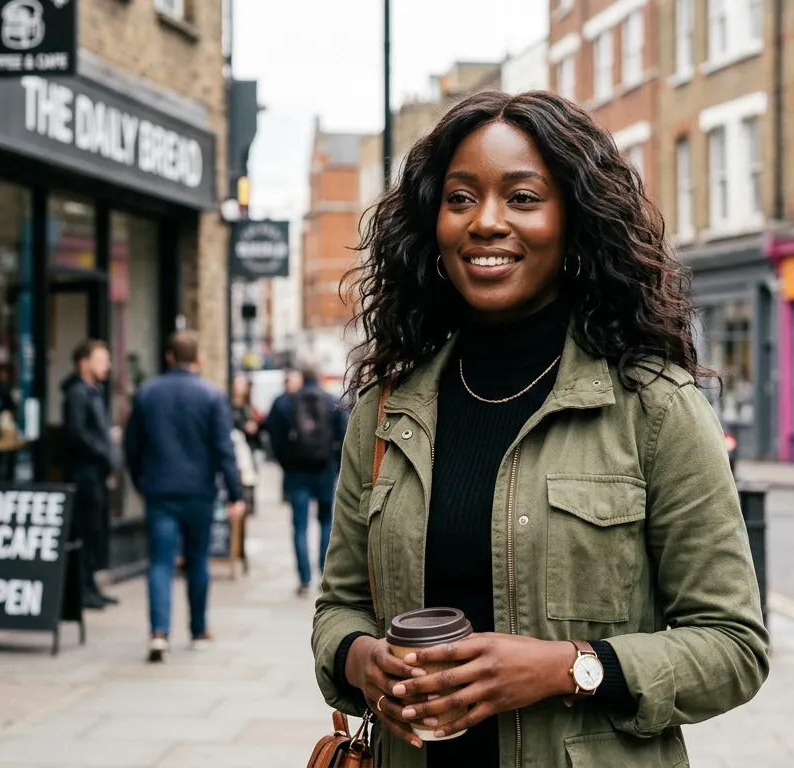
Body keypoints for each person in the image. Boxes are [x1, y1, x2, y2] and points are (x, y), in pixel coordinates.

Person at [311, 90, 768, 767]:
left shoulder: (654, 406)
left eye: (522, 198)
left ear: (574, 223)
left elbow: (733, 645)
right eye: (460, 198)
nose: (486, 222)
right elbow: (338, 609)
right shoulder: (387, 409)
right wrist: (362, 661)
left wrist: (569, 668)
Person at [124, 330, 246, 662]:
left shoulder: (147, 393)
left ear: (169, 356)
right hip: (199, 492)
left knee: (161, 562)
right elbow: (224, 449)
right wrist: (236, 493)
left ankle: (159, 632)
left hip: (159, 490)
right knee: (197, 560)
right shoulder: (211, 395)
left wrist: (139, 480)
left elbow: (131, 446)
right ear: (199, 359)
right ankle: (198, 628)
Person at [266, 359, 347, 597]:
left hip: (296, 472)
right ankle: (323, 573)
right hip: (324, 470)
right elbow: (345, 436)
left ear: (301, 377)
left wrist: (285, 462)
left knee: (299, 525)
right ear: (320, 377)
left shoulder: (285, 402)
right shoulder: (332, 401)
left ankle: (303, 578)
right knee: (325, 522)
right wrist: (335, 464)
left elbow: (273, 435)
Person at [61, 340, 118, 610]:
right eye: (101, 359)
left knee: (95, 532)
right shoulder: (77, 393)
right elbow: (77, 434)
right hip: (84, 475)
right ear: (84, 362)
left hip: (97, 473)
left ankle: (91, 585)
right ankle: (82, 590)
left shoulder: (94, 392)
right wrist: (104, 454)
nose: (107, 365)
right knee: (84, 530)